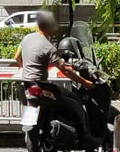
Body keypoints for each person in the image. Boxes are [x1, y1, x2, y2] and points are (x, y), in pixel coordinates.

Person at [15, 9, 96, 141]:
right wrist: (84, 82)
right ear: (49, 27)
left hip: (26, 85)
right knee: (74, 102)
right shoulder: (48, 47)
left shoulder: (26, 38)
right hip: (41, 85)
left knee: (30, 117)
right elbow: (66, 70)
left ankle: (30, 151)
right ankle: (84, 135)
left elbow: (16, 56)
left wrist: (25, 67)